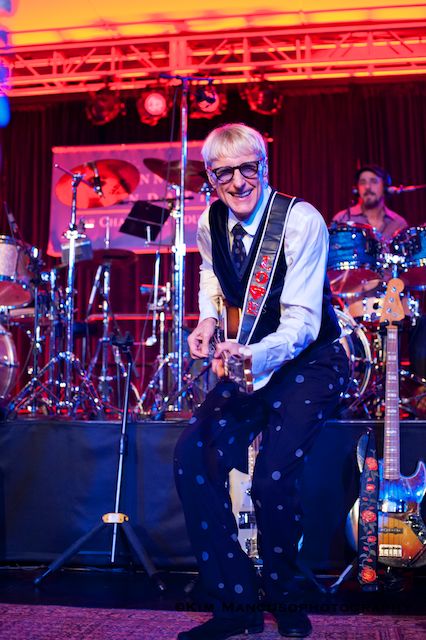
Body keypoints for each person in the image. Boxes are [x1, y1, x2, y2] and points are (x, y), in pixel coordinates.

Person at [174, 123, 349, 640]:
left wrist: (248, 352)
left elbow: (302, 323)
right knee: (192, 457)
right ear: (210, 177)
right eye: (223, 173)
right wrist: (208, 319)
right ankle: (236, 604)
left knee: (271, 478)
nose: (237, 182)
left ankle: (286, 598)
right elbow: (211, 274)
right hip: (248, 359)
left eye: (247, 168)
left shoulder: (300, 221)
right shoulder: (209, 221)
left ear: (264, 166)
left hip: (310, 363)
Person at [333, 164, 408, 242]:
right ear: (357, 189)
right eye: (362, 182)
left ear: (385, 187)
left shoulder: (399, 223)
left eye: (374, 181)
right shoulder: (342, 219)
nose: (367, 187)